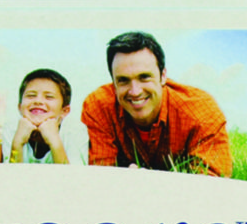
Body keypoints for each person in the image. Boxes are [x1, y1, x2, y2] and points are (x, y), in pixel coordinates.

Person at [81, 31, 232, 176]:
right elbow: (100, 177)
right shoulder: (99, 106)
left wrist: (153, 184)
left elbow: (211, 185)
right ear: (113, 83)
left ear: (163, 76)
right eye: (123, 80)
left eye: (144, 77)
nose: (135, 91)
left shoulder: (201, 113)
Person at [8, 69, 86, 165]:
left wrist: (55, 142)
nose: (38, 101)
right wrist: (17, 143)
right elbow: (10, 174)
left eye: (49, 97)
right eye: (31, 95)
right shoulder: (12, 128)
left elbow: (73, 174)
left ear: (64, 111)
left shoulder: (74, 130)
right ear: (20, 107)